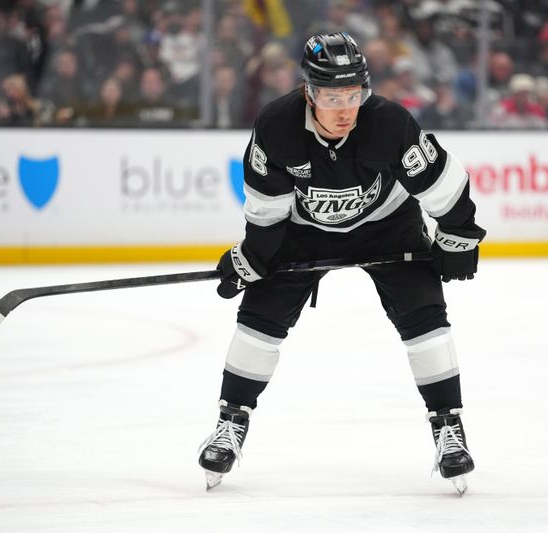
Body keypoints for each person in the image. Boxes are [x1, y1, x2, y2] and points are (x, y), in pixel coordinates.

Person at [198, 32, 486, 495]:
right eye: (333, 96)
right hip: (304, 233)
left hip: (388, 225)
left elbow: (442, 183)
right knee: (259, 319)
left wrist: (459, 235)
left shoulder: (389, 123)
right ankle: (230, 422)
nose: (345, 109)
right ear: (309, 92)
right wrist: (252, 258)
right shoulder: (276, 127)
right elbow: (267, 209)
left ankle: (448, 428)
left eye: (354, 95)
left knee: (425, 317)